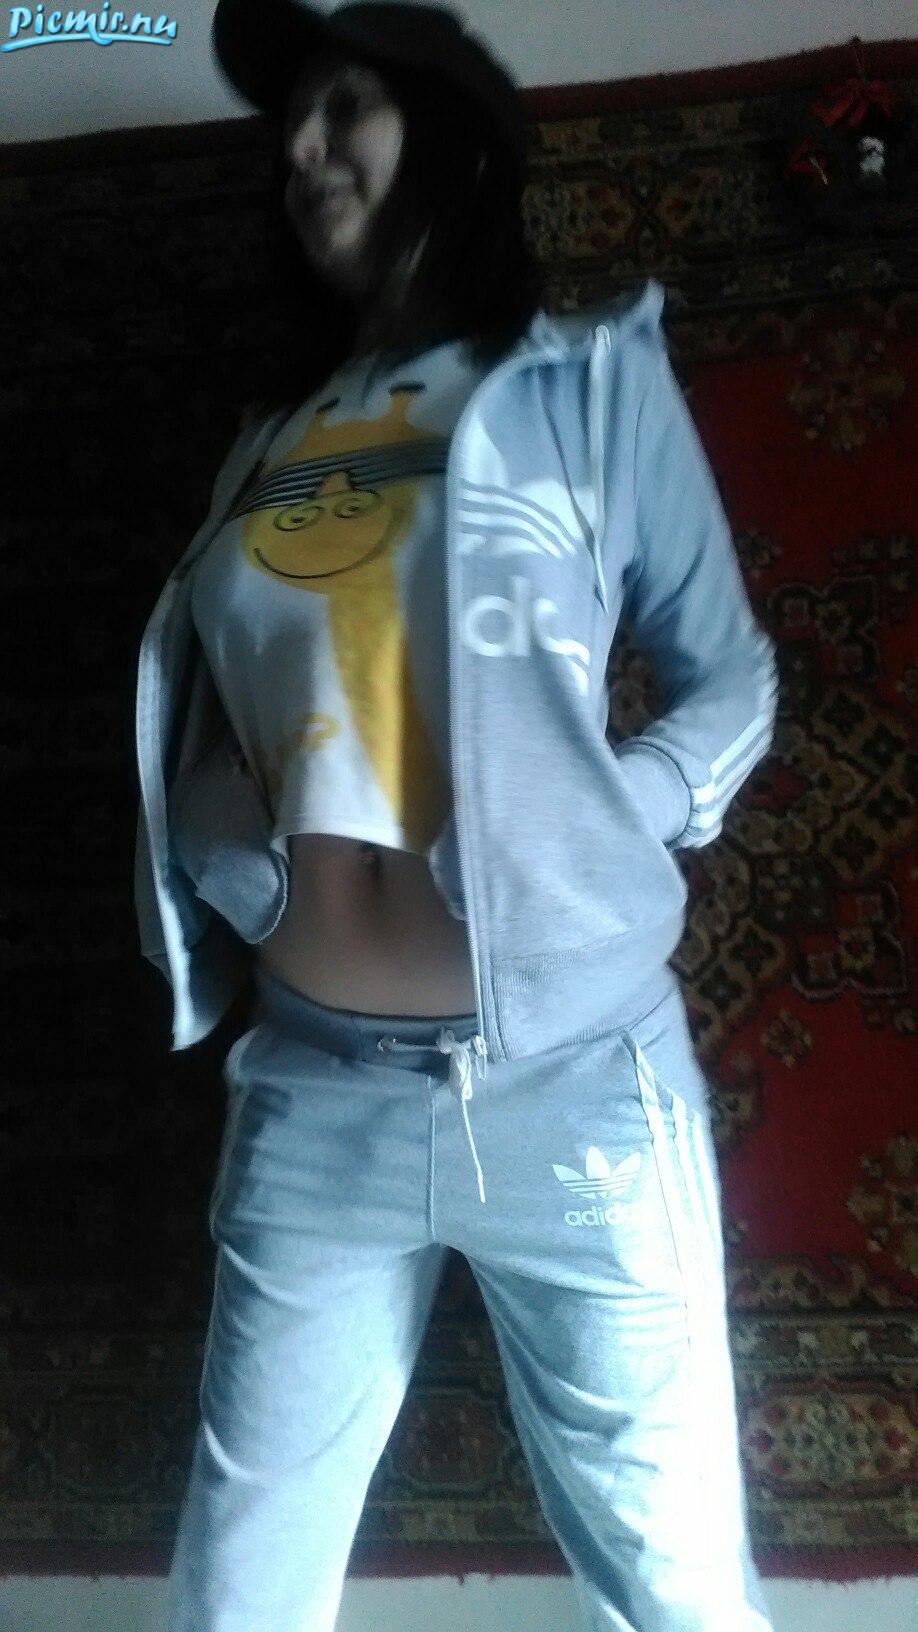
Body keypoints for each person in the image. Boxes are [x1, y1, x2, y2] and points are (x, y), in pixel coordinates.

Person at [138, 4, 779, 1629]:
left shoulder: (586, 386)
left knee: (674, 1586)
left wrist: (612, 813)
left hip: (576, 1085)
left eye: (344, 106)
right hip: (311, 1089)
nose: (301, 149)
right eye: (289, 122)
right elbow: (215, 705)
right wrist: (228, 862)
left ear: (453, 134)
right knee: (236, 1595)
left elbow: (727, 679)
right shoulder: (268, 439)